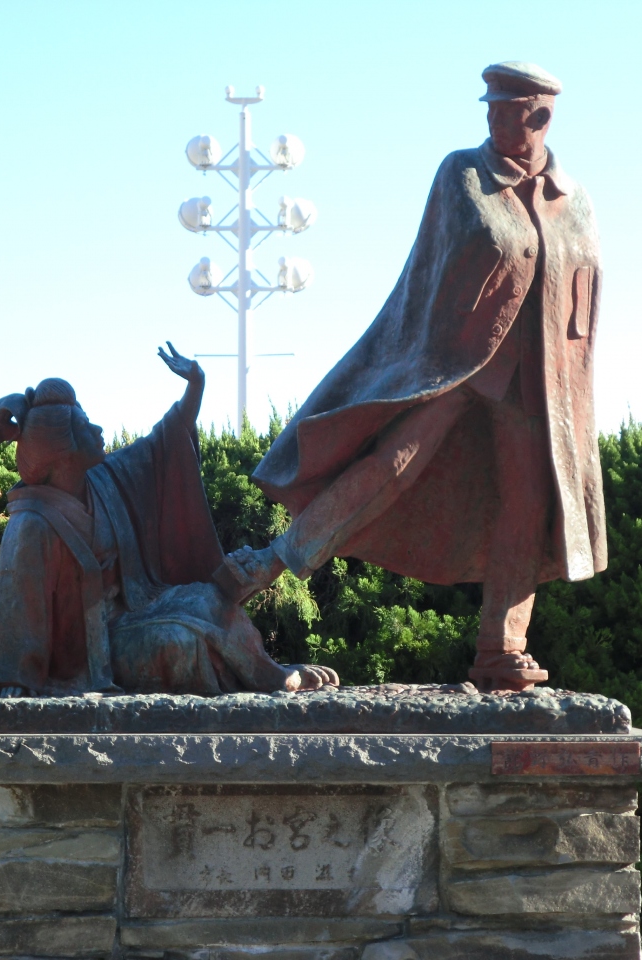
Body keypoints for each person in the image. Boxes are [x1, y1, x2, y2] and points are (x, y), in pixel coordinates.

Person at [214, 62, 606, 692]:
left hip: (536, 382)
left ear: (541, 117)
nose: (494, 120)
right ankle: (269, 564)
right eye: (490, 109)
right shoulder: (464, 175)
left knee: (529, 503)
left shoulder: (575, 200)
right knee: (392, 462)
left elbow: (582, 295)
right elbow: (433, 275)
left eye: (509, 111)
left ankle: (501, 650)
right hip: (453, 364)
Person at [0, 343, 338, 697]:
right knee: (179, 643)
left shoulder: (105, 479)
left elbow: (163, 440)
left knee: (210, 600)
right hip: (91, 649)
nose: (99, 430)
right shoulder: (33, 522)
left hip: (138, 607)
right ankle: (267, 679)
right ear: (62, 450)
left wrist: (196, 386)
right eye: (86, 426)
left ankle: (268, 673)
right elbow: (15, 607)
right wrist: (13, 677)